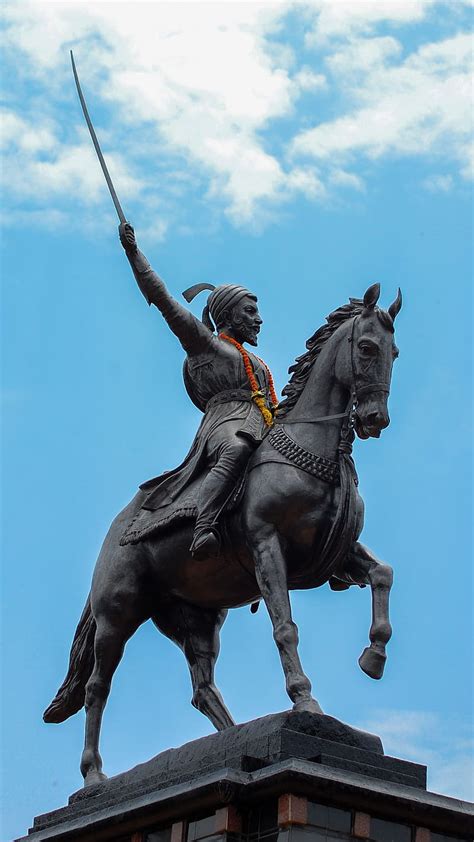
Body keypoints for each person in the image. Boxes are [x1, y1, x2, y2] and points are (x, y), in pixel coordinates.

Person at [119, 222, 278, 559]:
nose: (259, 319)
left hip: (263, 423)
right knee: (236, 450)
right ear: (228, 315)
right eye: (250, 311)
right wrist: (135, 254)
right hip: (226, 423)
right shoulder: (206, 346)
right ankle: (204, 526)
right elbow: (163, 300)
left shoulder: (256, 361)